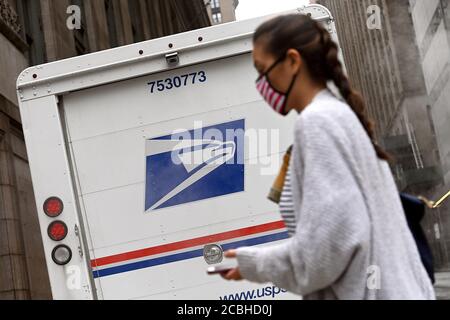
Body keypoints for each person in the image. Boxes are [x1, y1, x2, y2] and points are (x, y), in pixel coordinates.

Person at [220, 14, 436, 300]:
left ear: (293, 61)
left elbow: (329, 248)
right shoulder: (338, 116)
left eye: (263, 70)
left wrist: (257, 264)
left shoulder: (317, 123)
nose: (262, 83)